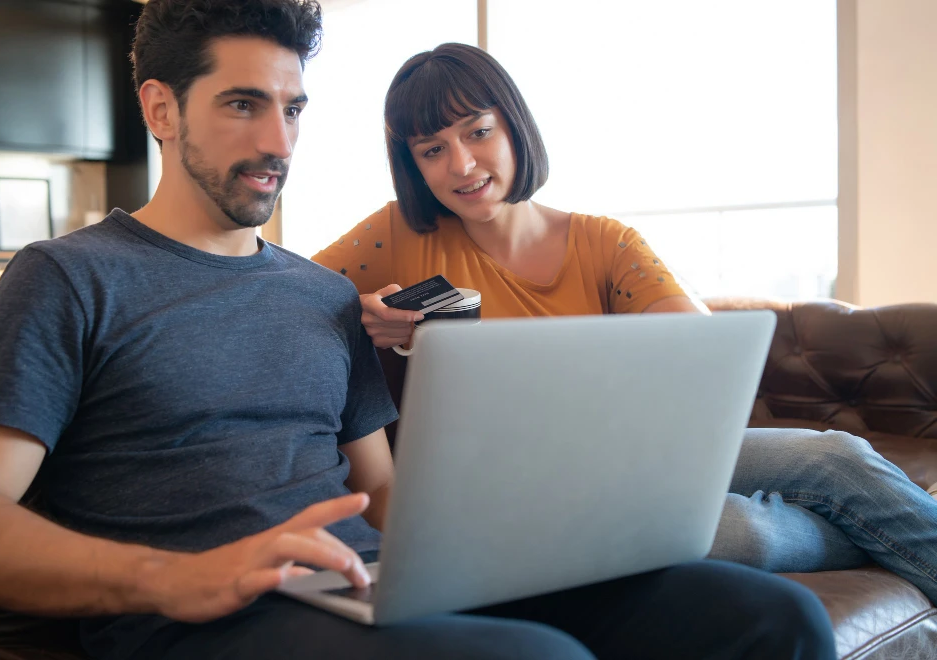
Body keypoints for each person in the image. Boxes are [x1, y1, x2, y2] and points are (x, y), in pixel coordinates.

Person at [0, 5, 835, 660]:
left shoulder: (322, 295)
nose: (279, 141)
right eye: (243, 105)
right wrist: (168, 577)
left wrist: (529, 540)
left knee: (769, 619)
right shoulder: (69, 276)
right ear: (162, 109)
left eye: (293, 109)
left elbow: (384, 497)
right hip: (195, 617)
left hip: (363, 585)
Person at [313, 41, 937, 605]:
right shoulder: (395, 233)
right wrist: (361, 313)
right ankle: (882, 535)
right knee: (737, 528)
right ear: (413, 165)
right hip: (515, 492)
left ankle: (887, 533)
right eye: (432, 150)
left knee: (835, 455)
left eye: (478, 132)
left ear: (513, 125)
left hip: (631, 457)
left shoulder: (604, 243)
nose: (461, 164)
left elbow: (704, 359)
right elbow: (283, 293)